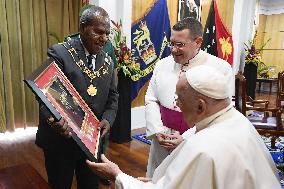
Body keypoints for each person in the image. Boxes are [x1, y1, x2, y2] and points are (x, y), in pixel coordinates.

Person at [86, 65, 281, 189]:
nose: (175, 104)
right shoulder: (238, 121)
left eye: (179, 99)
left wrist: (117, 175)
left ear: (200, 106)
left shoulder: (204, 151)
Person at [35, 5, 118, 189]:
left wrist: (107, 119)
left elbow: (113, 96)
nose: (104, 38)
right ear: (82, 28)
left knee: (89, 185)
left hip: (91, 144)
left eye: (107, 33)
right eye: (98, 32)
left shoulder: (108, 60)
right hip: (61, 142)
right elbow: (46, 93)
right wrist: (53, 120)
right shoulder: (61, 53)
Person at [144, 17, 233, 177]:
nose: (173, 49)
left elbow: (221, 114)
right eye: (172, 43)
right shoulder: (162, 64)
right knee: (158, 178)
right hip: (161, 139)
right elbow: (151, 98)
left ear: (198, 42)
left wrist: (186, 138)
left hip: (196, 141)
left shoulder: (220, 68)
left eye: (180, 45)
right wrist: (157, 130)